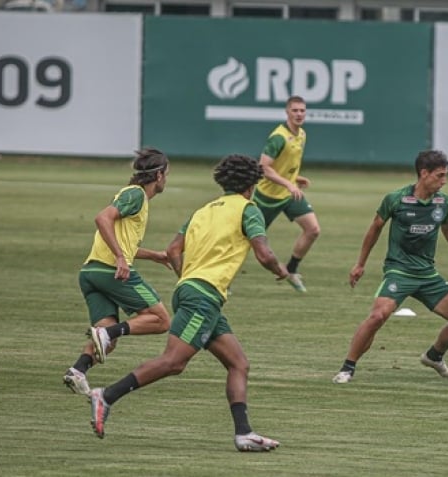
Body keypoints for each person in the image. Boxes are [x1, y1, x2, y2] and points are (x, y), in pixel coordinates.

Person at [88, 154, 289, 452]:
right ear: (252, 185)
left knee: (238, 363)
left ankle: (244, 433)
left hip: (193, 292)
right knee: (174, 361)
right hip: (203, 297)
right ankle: (106, 395)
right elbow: (265, 254)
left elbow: (172, 249)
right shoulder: (249, 209)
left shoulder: (203, 210)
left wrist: (188, 278)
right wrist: (280, 270)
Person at [332, 150, 448, 384]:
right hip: (399, 272)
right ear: (424, 174)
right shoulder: (396, 199)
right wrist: (360, 264)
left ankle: (434, 356)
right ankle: (347, 368)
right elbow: (375, 228)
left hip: (428, 274)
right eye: (440, 175)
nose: (444, 181)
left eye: (446, 176)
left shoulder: (443, 202)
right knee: (377, 316)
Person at [63, 147, 172, 397]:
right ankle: (106, 333)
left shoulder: (134, 197)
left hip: (91, 273)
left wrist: (154, 255)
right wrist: (121, 258)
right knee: (161, 320)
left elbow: (124, 241)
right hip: (110, 271)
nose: (166, 179)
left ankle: (78, 370)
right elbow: (103, 218)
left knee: (107, 344)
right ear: (158, 176)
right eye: (166, 174)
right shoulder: (136, 195)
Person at [253, 95, 319, 293]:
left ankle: (291, 270)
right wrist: (287, 184)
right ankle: (225, 279)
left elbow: (286, 164)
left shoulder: (302, 135)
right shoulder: (278, 137)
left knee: (313, 229)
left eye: (302, 110)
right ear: (287, 112)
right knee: (246, 240)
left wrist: (295, 178)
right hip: (267, 197)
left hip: (289, 194)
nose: (299, 114)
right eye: (295, 110)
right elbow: (263, 167)